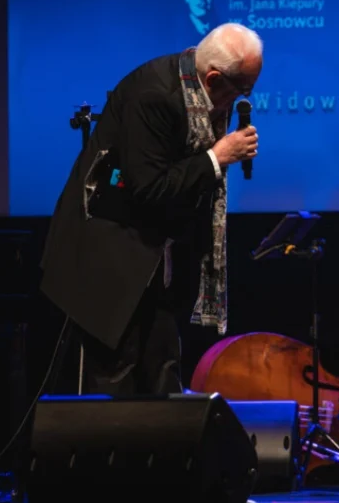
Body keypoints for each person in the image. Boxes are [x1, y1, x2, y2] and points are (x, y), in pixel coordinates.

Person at [39, 23, 263, 396]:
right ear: (212, 78)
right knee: (116, 380)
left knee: (164, 372)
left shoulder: (194, 88)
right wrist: (216, 158)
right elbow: (149, 187)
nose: (245, 99)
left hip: (155, 255)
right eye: (244, 89)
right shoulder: (154, 95)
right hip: (110, 256)